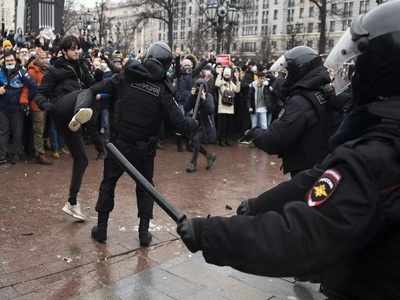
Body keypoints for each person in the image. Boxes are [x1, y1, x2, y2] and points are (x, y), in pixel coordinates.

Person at [177, 2, 400, 299]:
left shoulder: (376, 155)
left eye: (361, 64)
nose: (355, 73)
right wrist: (257, 206)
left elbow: (304, 235)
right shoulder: (377, 137)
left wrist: (211, 233)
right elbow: (312, 179)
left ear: (383, 68)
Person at [90, 41, 198, 247]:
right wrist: (192, 124)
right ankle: (143, 234)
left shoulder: (126, 77)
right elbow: (179, 123)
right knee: (145, 187)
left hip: (118, 145)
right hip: (144, 149)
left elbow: (103, 89)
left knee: (108, 183)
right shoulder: (162, 89)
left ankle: (102, 229)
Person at [242, 46, 334, 177]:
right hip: (319, 164)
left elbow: (274, 140)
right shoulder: (320, 91)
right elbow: (287, 91)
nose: (286, 78)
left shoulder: (300, 102)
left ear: (299, 71)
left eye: (288, 73)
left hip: (305, 172)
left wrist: (254, 133)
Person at [34, 35, 95, 221]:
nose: (77, 51)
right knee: (84, 92)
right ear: (64, 51)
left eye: (78, 48)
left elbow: (93, 85)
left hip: (72, 120)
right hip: (61, 109)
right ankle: (80, 116)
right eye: (73, 48)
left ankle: (72, 202)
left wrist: (92, 71)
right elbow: (39, 95)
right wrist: (49, 108)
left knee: (82, 159)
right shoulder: (54, 71)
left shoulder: (81, 68)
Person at [0, 50, 37, 164]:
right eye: (7, 60)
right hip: (2, 108)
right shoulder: (0, 72)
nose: (10, 62)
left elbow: (33, 86)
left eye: (11, 60)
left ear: (15, 60)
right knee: (3, 132)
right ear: (4, 61)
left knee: (17, 132)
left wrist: (26, 99)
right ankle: (2, 155)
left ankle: (16, 154)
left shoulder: (22, 72)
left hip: (17, 108)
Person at [185, 79, 217, 173]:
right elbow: (187, 107)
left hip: (205, 124)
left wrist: (203, 99)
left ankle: (193, 163)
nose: (199, 89)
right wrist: (191, 96)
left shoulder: (208, 96)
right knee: (193, 143)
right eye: (197, 87)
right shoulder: (193, 96)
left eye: (201, 87)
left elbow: (210, 110)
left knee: (196, 140)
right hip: (196, 122)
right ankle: (209, 156)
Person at [215, 67, 241, 146]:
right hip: (222, 108)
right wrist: (219, 74)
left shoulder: (231, 83)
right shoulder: (221, 81)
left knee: (228, 126)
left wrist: (237, 79)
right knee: (222, 125)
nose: (227, 76)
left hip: (230, 108)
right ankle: (220, 140)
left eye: (228, 75)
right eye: (226, 74)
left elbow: (237, 90)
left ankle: (226, 139)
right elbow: (216, 84)